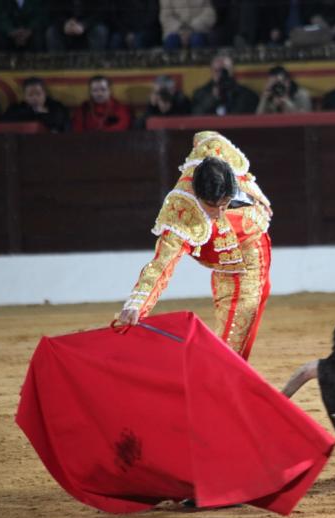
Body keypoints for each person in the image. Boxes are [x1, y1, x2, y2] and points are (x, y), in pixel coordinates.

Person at [118, 131, 272, 361]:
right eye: (212, 206)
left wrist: (257, 194)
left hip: (251, 247)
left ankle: (225, 379)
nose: (219, 212)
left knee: (236, 338)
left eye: (225, 204)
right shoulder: (180, 212)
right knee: (233, 341)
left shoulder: (214, 149)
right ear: (198, 195)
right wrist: (137, 304)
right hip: (229, 263)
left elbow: (204, 135)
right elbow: (161, 265)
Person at [191, 53, 259, 115]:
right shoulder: (200, 94)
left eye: (224, 71)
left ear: (232, 71)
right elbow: (194, 115)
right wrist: (212, 98)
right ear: (211, 71)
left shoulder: (246, 95)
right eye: (217, 70)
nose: (221, 74)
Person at [1, 77, 70, 132]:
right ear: (25, 97)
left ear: (44, 94)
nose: (35, 98)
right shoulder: (15, 110)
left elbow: (64, 128)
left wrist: (42, 112)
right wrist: (32, 111)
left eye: (38, 93)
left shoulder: (57, 108)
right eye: (30, 95)